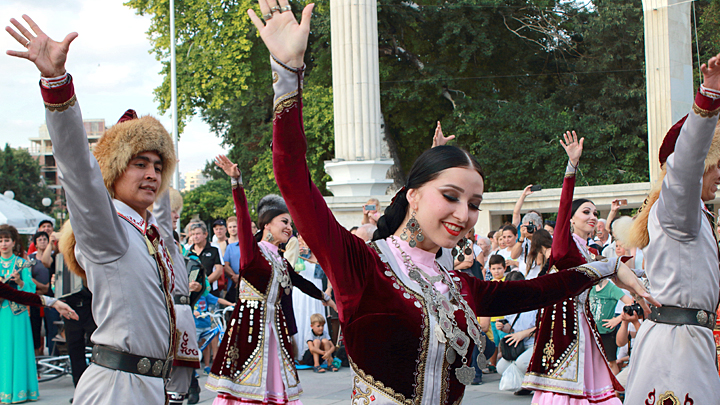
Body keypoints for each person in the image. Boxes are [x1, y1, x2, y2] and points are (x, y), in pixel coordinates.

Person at [254, 4, 650, 401]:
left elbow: (543, 289)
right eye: (450, 196)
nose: (464, 214)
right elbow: (292, 174)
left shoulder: (459, 285)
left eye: (474, 203)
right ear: (412, 194)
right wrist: (288, 75)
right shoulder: (362, 266)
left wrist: (608, 265)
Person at [6, 15, 180, 404]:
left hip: (151, 387)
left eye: (157, 165)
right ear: (115, 170)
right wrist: (56, 85)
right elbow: (79, 171)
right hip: (118, 388)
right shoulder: (109, 230)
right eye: (139, 163)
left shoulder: (146, 233)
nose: (151, 174)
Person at [522, 131, 658, 404]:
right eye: (586, 212)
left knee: (593, 383)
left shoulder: (590, 251)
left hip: (583, 321)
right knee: (565, 388)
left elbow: (615, 271)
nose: (593, 217)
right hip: (561, 323)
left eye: (595, 213)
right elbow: (563, 207)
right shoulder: (563, 245)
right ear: (570, 220)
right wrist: (571, 167)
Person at [620, 54, 720, 403]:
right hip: (677, 348)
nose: (719, 174)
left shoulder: (695, 215)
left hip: (687, 341)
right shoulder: (679, 206)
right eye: (715, 165)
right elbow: (685, 163)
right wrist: (709, 98)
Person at [206, 155, 335, 405]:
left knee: (276, 386)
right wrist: (237, 184)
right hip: (249, 328)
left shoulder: (280, 257)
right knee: (246, 388)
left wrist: (328, 299)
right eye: (284, 222)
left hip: (275, 329)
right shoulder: (253, 253)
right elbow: (243, 218)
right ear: (266, 225)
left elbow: (301, 282)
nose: (289, 228)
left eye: (290, 224)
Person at [156, 188, 203, 405]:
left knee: (182, 375)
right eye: (172, 211)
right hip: (169, 313)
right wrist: (163, 177)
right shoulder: (159, 243)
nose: (176, 215)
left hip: (183, 314)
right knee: (169, 375)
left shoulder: (181, 254)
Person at [0, 225, 38, 403]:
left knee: (19, 349)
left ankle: (21, 391)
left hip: (18, 312)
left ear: (14, 242)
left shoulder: (22, 263)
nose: (3, 244)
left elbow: (31, 289)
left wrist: (20, 282)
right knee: (3, 350)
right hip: (2, 311)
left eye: (6, 240)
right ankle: (4, 392)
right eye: (0, 241)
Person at [588, 279, 633, 374]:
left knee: (611, 362)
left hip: (606, 331)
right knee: (592, 361)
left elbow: (630, 303)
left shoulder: (611, 288)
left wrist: (618, 319)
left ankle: (614, 386)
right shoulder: (590, 287)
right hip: (592, 330)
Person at [189, 222, 225, 297]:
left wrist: (204, 283)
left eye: (198, 234)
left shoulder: (214, 248)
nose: (195, 237)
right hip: (193, 291)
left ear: (205, 234)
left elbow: (219, 270)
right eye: (193, 234)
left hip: (211, 291)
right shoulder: (188, 250)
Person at [223, 215, 241, 303]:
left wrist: (240, 276)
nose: (233, 229)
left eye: (235, 226)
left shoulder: (247, 244)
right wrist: (234, 277)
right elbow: (225, 265)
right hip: (231, 283)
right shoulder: (227, 246)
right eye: (230, 227)